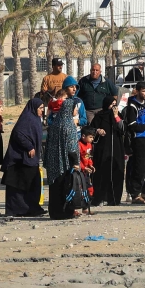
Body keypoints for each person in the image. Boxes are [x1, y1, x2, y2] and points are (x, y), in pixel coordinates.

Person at [1, 98, 45, 217]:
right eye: (40, 108)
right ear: (34, 108)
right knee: (18, 185)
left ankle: (31, 208)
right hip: (20, 159)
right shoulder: (27, 119)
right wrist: (29, 147)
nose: (42, 110)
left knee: (32, 184)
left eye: (43, 108)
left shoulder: (35, 119)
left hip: (28, 160)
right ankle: (18, 210)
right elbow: (18, 134)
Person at [43, 86, 82, 219]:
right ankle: (65, 212)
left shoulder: (55, 124)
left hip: (53, 163)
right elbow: (71, 147)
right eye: (75, 108)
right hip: (65, 163)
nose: (76, 110)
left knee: (54, 189)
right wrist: (76, 162)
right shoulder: (69, 125)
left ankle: (54, 212)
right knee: (65, 187)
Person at [90, 94, 128, 206]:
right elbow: (91, 129)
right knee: (102, 173)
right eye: (112, 104)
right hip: (103, 148)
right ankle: (100, 198)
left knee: (116, 172)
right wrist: (97, 130)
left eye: (115, 105)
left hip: (116, 149)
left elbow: (123, 129)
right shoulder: (99, 116)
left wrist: (116, 116)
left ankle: (114, 199)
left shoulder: (118, 115)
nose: (114, 107)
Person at [78, 128, 95, 214]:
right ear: (83, 136)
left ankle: (85, 208)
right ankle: (75, 208)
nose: (92, 139)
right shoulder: (79, 145)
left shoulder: (89, 145)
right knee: (80, 190)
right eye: (91, 137)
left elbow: (88, 157)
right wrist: (83, 168)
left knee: (89, 189)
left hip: (86, 171)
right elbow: (78, 160)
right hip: (80, 171)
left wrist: (90, 165)